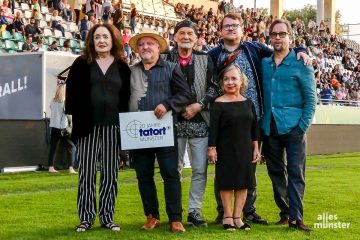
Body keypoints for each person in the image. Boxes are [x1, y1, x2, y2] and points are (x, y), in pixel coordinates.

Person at [208, 13, 309, 225]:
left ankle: (248, 211)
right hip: (225, 117)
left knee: (248, 167)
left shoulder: (254, 48)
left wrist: (301, 49)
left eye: (234, 25)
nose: (230, 29)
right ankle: (223, 212)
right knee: (224, 168)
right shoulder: (214, 54)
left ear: (242, 29)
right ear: (220, 30)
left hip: (253, 118)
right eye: (226, 26)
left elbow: (282, 52)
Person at [65, 23, 131, 232]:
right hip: (88, 128)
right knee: (86, 175)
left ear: (113, 40)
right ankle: (86, 218)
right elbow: (72, 97)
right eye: (97, 37)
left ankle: (107, 217)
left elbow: (127, 97)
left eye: (105, 36)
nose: (101, 40)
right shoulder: (81, 63)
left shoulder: (122, 66)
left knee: (110, 175)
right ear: (91, 41)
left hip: (114, 128)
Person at [128, 29, 192, 233]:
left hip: (164, 130)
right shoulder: (131, 71)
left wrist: (167, 104)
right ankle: (152, 216)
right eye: (141, 44)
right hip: (138, 132)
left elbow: (185, 95)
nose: (145, 47)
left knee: (170, 173)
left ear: (158, 47)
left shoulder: (172, 68)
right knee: (144, 176)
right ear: (137, 49)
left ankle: (175, 218)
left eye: (150, 43)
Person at [261, 19, 316, 232]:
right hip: (269, 127)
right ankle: (285, 214)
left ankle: (297, 217)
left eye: (282, 34)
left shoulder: (301, 63)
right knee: (275, 173)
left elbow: (311, 100)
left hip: (294, 128)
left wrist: (301, 127)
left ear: (289, 37)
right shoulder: (264, 63)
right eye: (274, 34)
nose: (277, 37)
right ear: (269, 37)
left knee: (295, 173)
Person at [162, 19, 218, 227]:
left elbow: (214, 87)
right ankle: (175, 213)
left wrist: (199, 105)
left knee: (199, 170)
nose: (186, 37)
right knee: (172, 170)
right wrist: (175, 106)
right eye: (182, 33)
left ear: (196, 39)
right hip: (171, 123)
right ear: (175, 37)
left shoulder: (205, 59)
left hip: (200, 122)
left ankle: (195, 211)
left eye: (190, 34)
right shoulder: (164, 57)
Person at [208, 64, 260, 231]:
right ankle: (227, 217)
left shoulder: (248, 103)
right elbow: (213, 129)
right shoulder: (217, 103)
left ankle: (238, 218)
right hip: (225, 150)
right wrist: (212, 148)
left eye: (233, 79)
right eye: (226, 79)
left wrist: (256, 148)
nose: (230, 82)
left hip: (245, 149)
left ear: (241, 81)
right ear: (222, 82)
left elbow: (254, 128)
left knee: (243, 183)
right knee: (226, 183)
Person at [48, 84, 77, 174]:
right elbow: (69, 115)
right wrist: (72, 124)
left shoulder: (52, 101)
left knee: (53, 148)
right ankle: (71, 168)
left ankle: (51, 168)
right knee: (71, 147)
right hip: (63, 129)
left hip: (53, 127)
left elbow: (52, 110)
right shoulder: (65, 102)